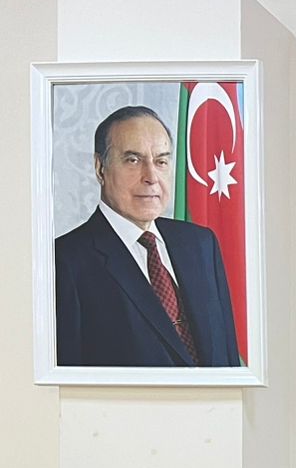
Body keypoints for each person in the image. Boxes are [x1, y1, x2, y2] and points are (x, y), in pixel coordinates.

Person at [54, 105, 242, 368]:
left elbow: (228, 359)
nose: (151, 177)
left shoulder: (201, 244)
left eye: (161, 161)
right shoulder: (65, 261)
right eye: (133, 160)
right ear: (100, 168)